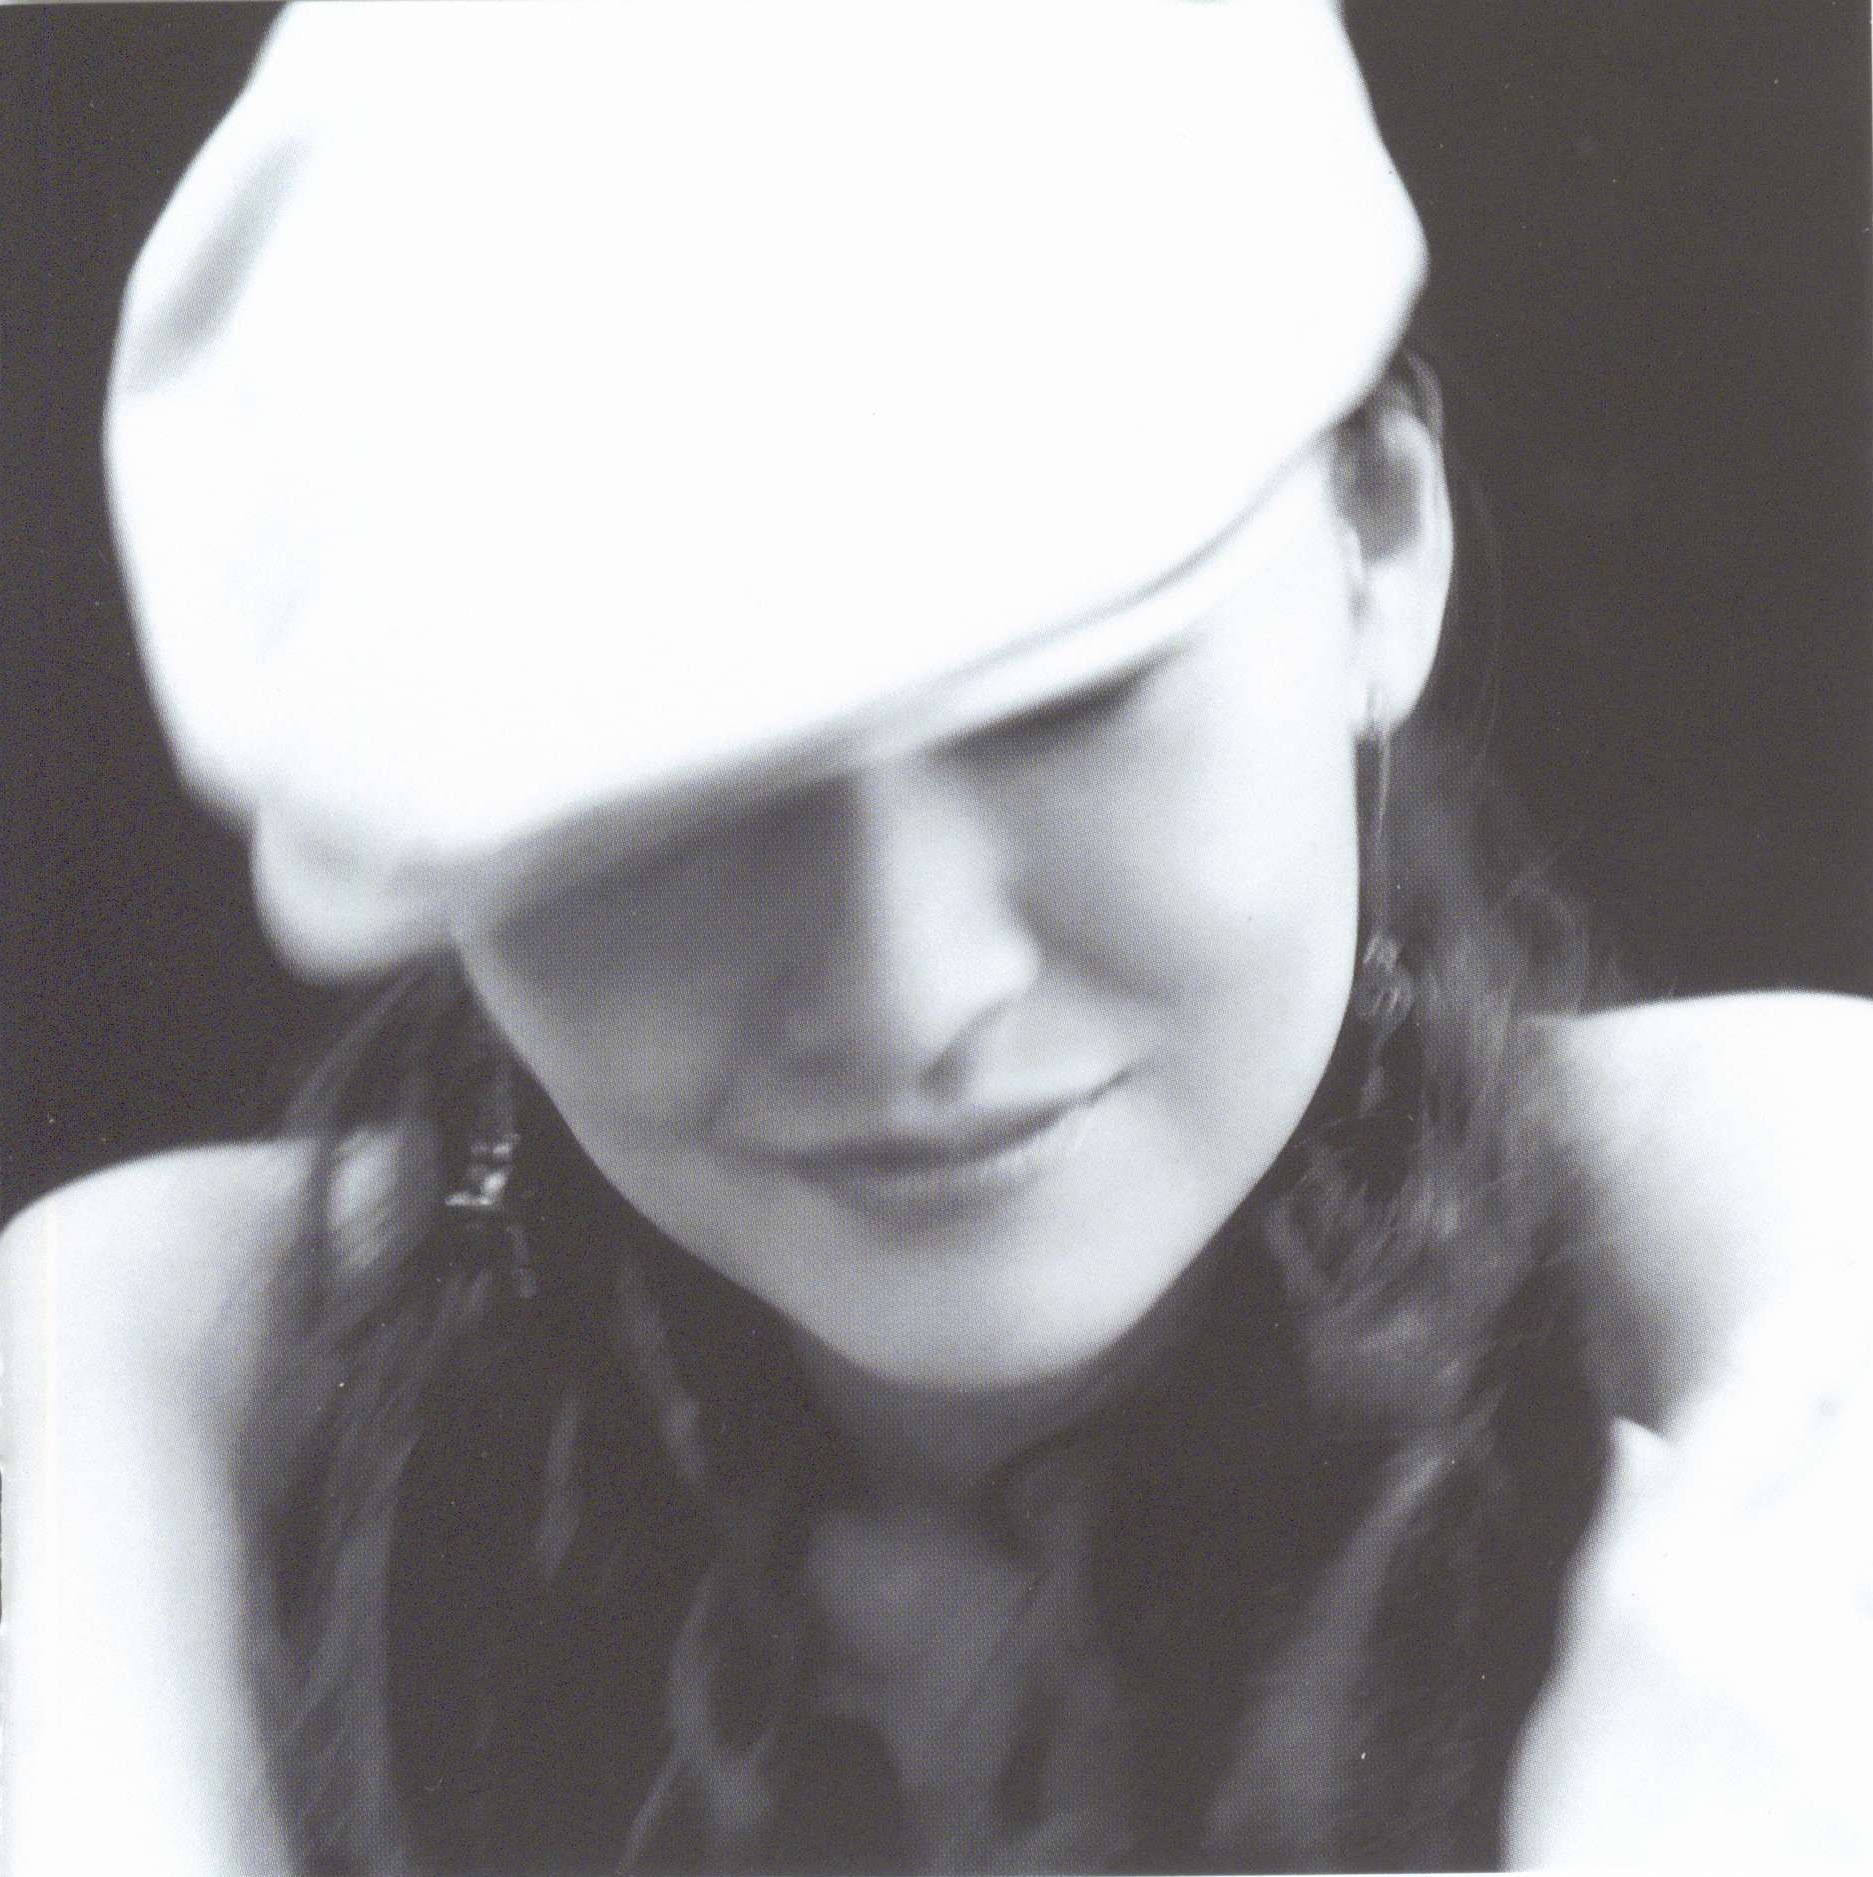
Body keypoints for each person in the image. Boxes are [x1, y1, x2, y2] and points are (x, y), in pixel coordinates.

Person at [5, 3, 1871, 1871]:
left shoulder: (1772, 1305)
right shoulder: (178, 1391)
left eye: (1062, 705)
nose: (913, 993)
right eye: (671, 798)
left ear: (1374, 542)